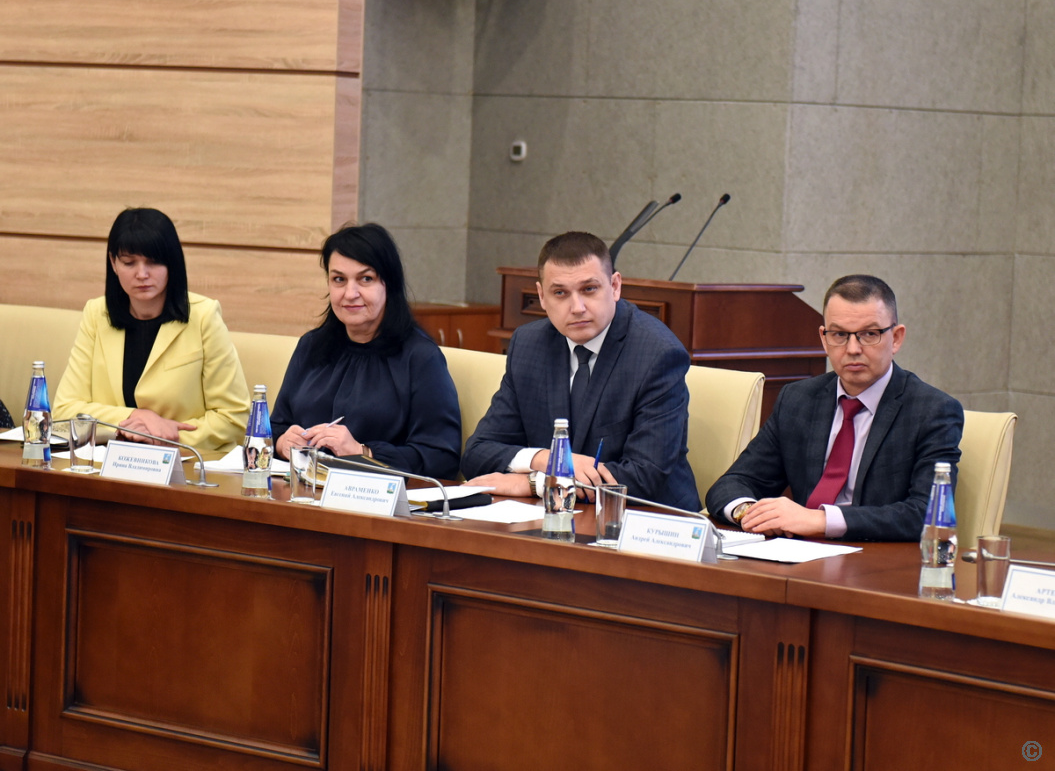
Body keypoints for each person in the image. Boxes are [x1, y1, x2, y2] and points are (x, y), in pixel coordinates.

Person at [706, 274, 963, 542]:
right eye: (839, 334)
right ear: (824, 338)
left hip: (872, 555)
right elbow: (732, 483)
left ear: (896, 338)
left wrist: (821, 520)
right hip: (798, 550)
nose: (853, 349)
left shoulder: (933, 411)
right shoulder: (798, 399)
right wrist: (751, 513)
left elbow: (926, 513)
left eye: (869, 334)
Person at [461, 231, 700, 510]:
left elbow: (644, 476)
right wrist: (544, 459)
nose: (577, 308)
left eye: (589, 289)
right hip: (558, 515)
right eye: (560, 293)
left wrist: (536, 483)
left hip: (646, 519)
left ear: (615, 286)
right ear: (541, 296)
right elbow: (478, 453)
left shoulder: (657, 354)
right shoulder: (529, 345)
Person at [271, 223, 461, 481]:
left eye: (366, 279)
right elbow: (274, 426)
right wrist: (282, 442)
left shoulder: (421, 358)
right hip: (302, 491)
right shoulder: (311, 346)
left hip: (376, 498)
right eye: (339, 280)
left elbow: (442, 457)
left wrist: (363, 453)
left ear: (388, 283)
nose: (350, 294)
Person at [54, 208, 250, 451]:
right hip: (111, 462)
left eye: (153, 262)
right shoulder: (97, 314)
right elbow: (64, 412)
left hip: (186, 463)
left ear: (172, 263)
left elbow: (234, 418)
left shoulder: (203, 316)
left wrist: (160, 438)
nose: (142, 274)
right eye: (129, 263)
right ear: (113, 263)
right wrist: (136, 417)